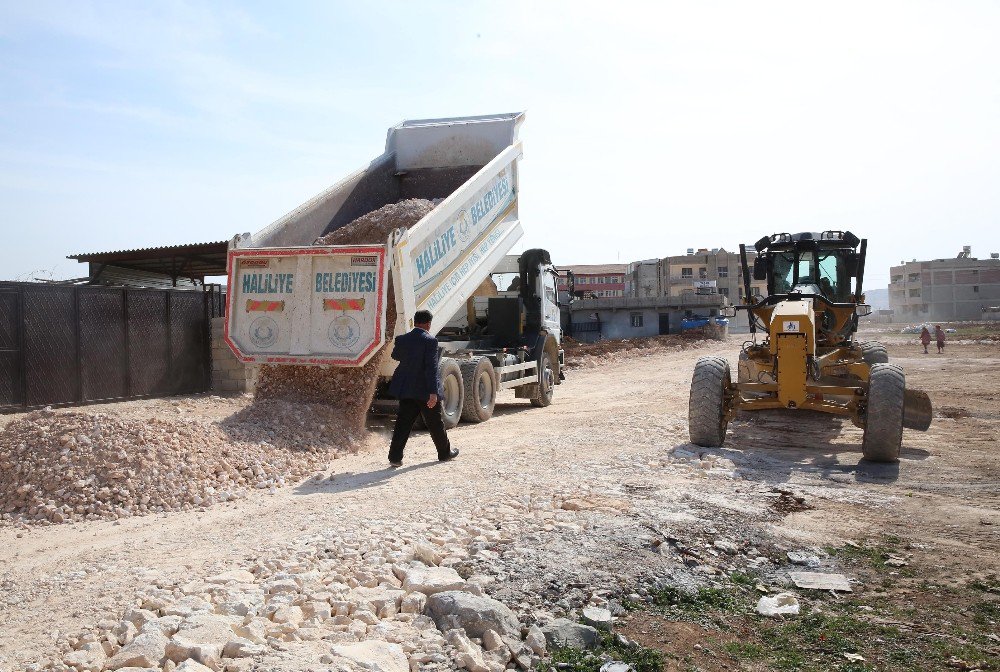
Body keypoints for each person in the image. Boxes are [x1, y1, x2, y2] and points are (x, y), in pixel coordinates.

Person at [387, 310, 459, 467]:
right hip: (425, 391)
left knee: (403, 423)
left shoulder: (402, 339)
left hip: (406, 388)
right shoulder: (430, 341)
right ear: (428, 324)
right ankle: (445, 453)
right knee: (435, 423)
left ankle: (395, 457)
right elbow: (431, 368)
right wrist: (433, 392)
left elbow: (396, 356)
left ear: (414, 322)